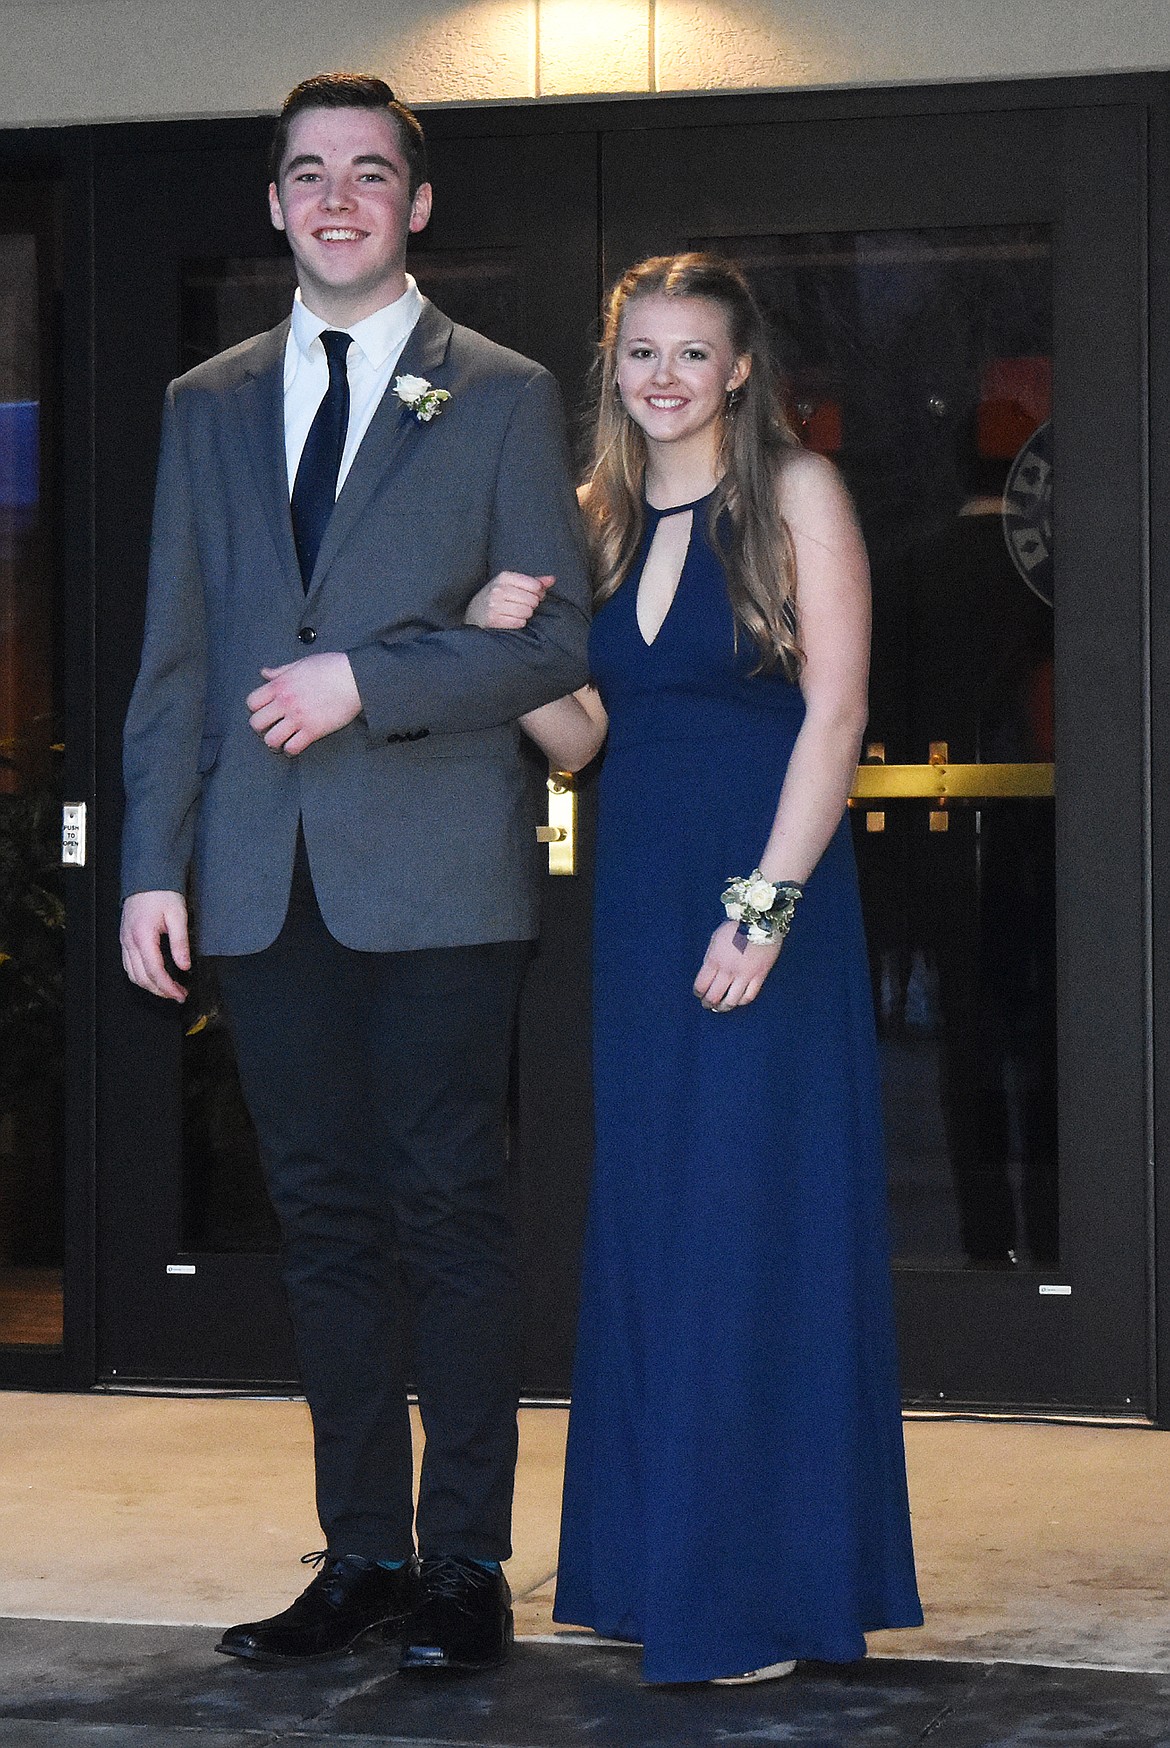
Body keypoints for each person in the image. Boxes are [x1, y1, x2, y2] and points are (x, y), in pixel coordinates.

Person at [119, 72, 590, 1675]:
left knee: (448, 1215)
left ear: (418, 203)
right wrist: (147, 864)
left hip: (439, 874)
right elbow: (175, 654)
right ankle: (363, 1558)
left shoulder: (509, 395)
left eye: (370, 174)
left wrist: (367, 684)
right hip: (258, 876)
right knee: (322, 1225)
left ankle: (463, 1561)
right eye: (308, 173)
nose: (337, 198)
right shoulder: (203, 402)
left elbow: (561, 654)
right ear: (272, 204)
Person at [469, 253, 922, 1683]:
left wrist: (766, 907)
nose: (663, 378)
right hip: (642, 907)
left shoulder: (795, 494)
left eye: (691, 354)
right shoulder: (597, 518)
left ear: (738, 370)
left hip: (761, 897)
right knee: (662, 1232)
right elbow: (583, 738)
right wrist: (512, 657)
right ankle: (663, 1574)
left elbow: (836, 711)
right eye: (640, 354)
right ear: (615, 369)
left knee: (750, 1229)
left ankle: (763, 1593)